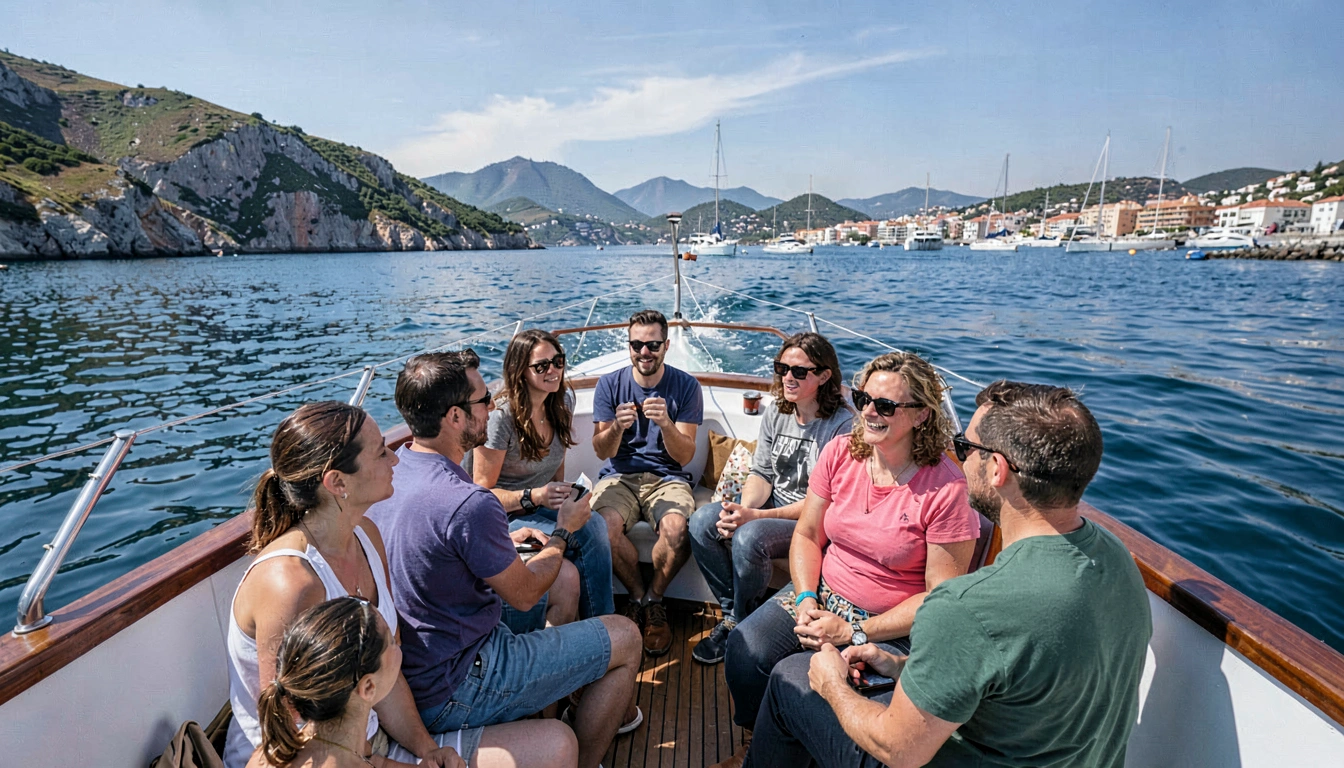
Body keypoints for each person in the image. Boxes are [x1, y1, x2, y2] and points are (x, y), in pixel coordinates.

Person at [739, 382, 1152, 768]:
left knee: (789, 679)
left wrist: (832, 686)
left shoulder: (967, 606)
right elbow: (1019, 680)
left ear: (998, 471)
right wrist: (901, 666)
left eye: (966, 446)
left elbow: (898, 750)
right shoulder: (1116, 560)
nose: (960, 459)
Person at [367, 350, 641, 768]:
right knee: (625, 636)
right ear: (455, 417)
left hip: (412, 670)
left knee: (565, 582)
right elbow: (527, 595)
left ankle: (552, 702)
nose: (492, 406)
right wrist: (564, 529)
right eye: (483, 400)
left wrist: (506, 538)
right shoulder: (468, 503)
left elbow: (433, 554)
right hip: (458, 681)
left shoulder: (396, 473)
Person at [718, 352, 981, 766]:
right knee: (746, 649)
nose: (870, 412)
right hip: (822, 594)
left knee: (804, 677)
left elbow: (939, 598)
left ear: (922, 416)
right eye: (863, 399)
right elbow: (807, 535)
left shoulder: (945, 490)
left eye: (887, 406)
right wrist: (806, 600)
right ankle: (761, 741)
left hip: (888, 622)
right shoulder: (842, 452)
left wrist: (854, 630)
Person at [225, 401, 465, 768]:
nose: (395, 459)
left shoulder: (366, 535)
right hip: (310, 758)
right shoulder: (290, 584)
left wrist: (426, 750)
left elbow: (386, 670)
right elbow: (289, 733)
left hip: (365, 742)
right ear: (337, 482)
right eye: (380, 451)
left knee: (552, 746)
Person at [247, 597, 577, 768]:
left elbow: (370, 760)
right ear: (368, 689)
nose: (399, 646)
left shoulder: (286, 747)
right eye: (391, 641)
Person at [688, 332, 853, 664]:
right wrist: (744, 508)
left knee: (749, 536)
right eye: (782, 368)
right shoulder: (778, 412)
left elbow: (827, 502)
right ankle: (734, 610)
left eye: (799, 371)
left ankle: (738, 621)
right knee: (703, 520)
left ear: (823, 376)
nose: (788, 377)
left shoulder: (842, 425)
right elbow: (762, 472)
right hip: (773, 508)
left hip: (813, 522)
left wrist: (755, 519)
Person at [470, 329, 615, 624]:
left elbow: (555, 469)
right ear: (520, 371)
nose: (553, 371)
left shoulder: (562, 403)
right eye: (541, 366)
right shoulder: (502, 417)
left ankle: (602, 624)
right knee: (588, 534)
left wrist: (565, 496)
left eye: (558, 361)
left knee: (594, 523)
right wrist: (534, 495)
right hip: (504, 514)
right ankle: (602, 626)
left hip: (542, 504)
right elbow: (479, 494)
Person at [590, 309, 704, 656]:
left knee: (676, 529)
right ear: (629, 346)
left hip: (667, 477)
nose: (644, 352)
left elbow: (684, 456)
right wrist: (617, 428)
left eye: (652, 344)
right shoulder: (610, 384)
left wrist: (667, 424)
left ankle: (656, 599)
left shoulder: (685, 386)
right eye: (637, 344)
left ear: (666, 345)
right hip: (619, 476)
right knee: (600, 528)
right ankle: (638, 597)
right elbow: (599, 450)